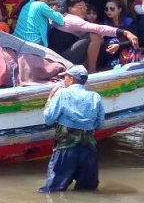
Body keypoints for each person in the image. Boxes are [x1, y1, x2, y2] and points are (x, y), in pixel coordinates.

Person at [39, 65, 105, 193]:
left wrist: (49, 99)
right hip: (88, 150)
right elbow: (100, 124)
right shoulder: (95, 97)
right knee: (87, 192)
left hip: (65, 150)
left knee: (53, 191)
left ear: (71, 79)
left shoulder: (62, 93)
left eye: (65, 77)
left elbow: (48, 119)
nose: (64, 80)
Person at [49, 0, 138, 73]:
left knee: (99, 38)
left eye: (85, 7)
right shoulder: (72, 19)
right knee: (95, 35)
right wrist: (125, 32)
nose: (83, 10)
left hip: (62, 57)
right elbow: (98, 28)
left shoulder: (65, 16)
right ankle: (92, 70)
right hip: (62, 60)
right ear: (70, 9)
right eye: (80, 7)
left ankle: (89, 66)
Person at [102, 0, 142, 68]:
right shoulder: (106, 23)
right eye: (106, 9)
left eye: (112, 9)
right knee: (111, 42)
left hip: (127, 48)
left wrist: (119, 46)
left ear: (119, 10)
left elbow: (134, 40)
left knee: (115, 42)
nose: (108, 11)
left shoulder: (128, 22)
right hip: (113, 53)